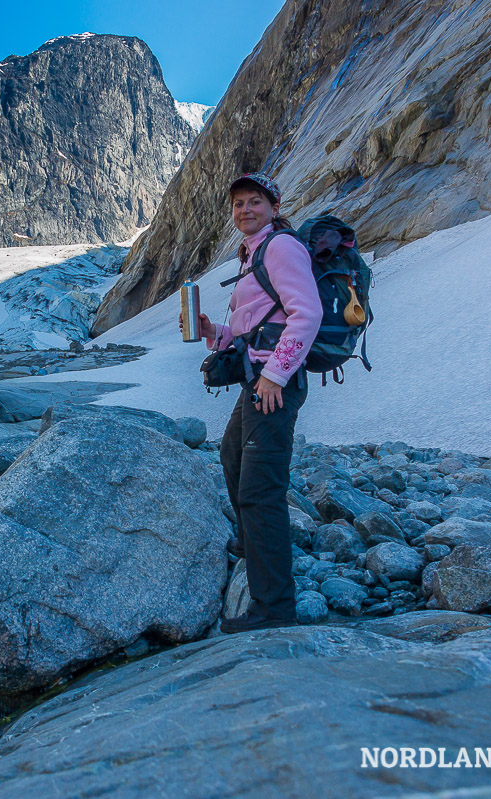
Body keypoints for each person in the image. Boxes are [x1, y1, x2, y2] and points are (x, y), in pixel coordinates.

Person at [187, 173, 321, 633]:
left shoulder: (280, 247)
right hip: (259, 381)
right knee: (231, 456)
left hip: (273, 386)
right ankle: (250, 547)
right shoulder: (252, 253)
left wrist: (274, 375)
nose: (245, 209)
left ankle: (274, 607)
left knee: (260, 490)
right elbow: (256, 327)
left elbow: (307, 313)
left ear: (273, 205)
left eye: (254, 202)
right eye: (238, 203)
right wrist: (215, 334)